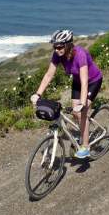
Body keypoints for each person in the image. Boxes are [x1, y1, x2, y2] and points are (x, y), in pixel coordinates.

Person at [30, 29, 103, 159]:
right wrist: (38, 94)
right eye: (55, 47)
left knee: (81, 112)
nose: (57, 49)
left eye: (59, 46)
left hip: (92, 81)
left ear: (68, 44)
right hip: (76, 81)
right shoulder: (57, 55)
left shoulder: (80, 54)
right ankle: (83, 131)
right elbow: (49, 75)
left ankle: (85, 146)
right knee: (75, 113)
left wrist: (82, 102)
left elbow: (84, 80)